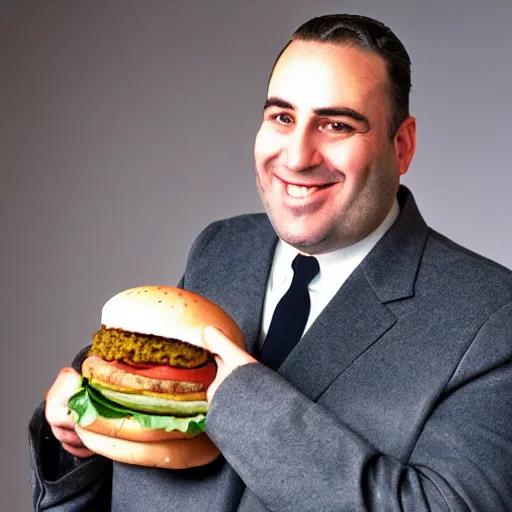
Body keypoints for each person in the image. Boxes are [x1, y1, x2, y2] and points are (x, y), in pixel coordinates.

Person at [29, 14, 512, 511]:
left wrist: (240, 398)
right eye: (282, 117)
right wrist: (74, 438)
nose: (297, 156)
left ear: (402, 145)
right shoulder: (221, 246)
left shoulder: (493, 316)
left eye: (336, 124)